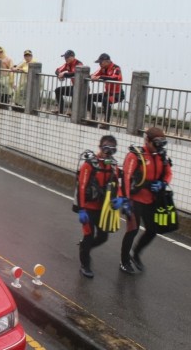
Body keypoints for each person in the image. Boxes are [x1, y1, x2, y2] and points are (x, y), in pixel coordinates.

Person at [120, 127, 173, 274]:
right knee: (132, 230)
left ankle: (135, 254)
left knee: (153, 230)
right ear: (147, 141)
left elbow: (168, 173)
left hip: (151, 200)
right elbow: (126, 177)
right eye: (155, 143)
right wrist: (125, 200)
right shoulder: (136, 155)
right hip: (134, 200)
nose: (158, 146)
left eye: (161, 143)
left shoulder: (161, 155)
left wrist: (163, 183)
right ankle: (124, 262)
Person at [76, 135, 123, 278]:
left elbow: (117, 185)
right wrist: (81, 209)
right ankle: (85, 264)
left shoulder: (113, 165)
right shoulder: (89, 165)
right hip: (88, 208)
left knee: (103, 237)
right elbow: (82, 187)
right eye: (105, 149)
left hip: (103, 208)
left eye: (112, 150)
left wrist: (120, 198)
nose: (108, 153)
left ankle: (85, 247)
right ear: (100, 147)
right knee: (89, 235)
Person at [88, 53, 124, 126]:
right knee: (88, 97)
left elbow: (115, 77)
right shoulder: (103, 68)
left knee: (106, 100)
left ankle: (106, 122)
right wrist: (92, 76)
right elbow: (94, 74)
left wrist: (101, 77)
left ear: (107, 61)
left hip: (117, 94)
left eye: (100, 62)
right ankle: (94, 118)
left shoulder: (116, 68)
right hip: (107, 93)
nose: (99, 64)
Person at [54, 50, 84, 115]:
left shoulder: (79, 64)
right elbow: (57, 70)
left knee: (74, 91)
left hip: (82, 87)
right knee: (57, 90)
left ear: (72, 57)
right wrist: (59, 74)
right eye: (65, 57)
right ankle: (61, 110)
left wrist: (64, 74)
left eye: (67, 57)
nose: (65, 59)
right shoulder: (67, 64)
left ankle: (72, 111)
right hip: (74, 86)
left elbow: (75, 73)